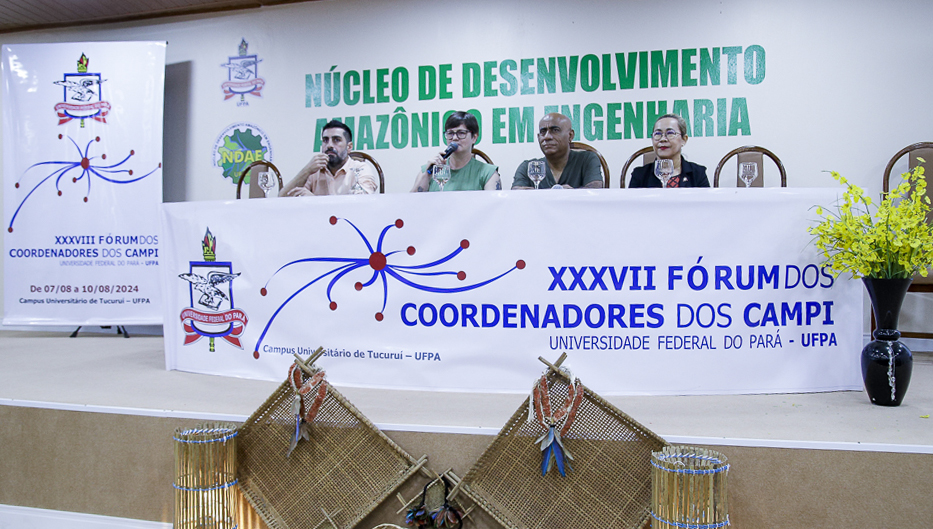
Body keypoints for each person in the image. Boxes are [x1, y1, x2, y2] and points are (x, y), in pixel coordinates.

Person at [280, 120, 378, 196]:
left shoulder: (361, 169)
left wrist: (315, 202)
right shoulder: (314, 171)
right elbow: (281, 200)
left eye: (336, 140)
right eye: (325, 140)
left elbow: (361, 205)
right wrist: (306, 171)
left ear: (349, 147)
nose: (329, 145)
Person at [411, 111, 500, 192]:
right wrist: (427, 175)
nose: (454, 138)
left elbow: (493, 207)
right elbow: (411, 205)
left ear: (474, 137)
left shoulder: (488, 173)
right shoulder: (429, 169)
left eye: (461, 133)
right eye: (450, 133)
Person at [512, 113, 603, 190]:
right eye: (543, 132)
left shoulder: (587, 159)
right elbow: (515, 196)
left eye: (555, 130)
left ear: (570, 136)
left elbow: (595, 192)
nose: (547, 137)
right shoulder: (528, 167)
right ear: (538, 137)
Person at [628, 114, 710, 188]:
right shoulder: (639, 175)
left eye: (670, 133)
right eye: (657, 134)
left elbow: (705, 204)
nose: (663, 139)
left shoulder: (698, 173)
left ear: (684, 139)